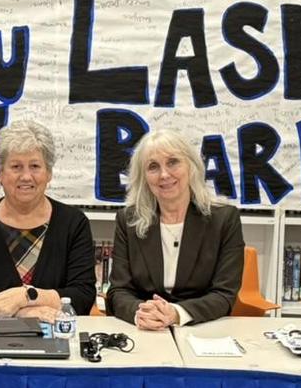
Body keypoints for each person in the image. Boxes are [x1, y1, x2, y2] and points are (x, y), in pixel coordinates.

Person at [0, 119, 96, 320]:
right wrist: (23, 312)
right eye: (16, 166)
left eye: (35, 166)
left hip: (55, 339)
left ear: (48, 173)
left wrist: (26, 297)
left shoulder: (74, 223)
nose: (26, 176)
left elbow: (83, 296)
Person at [105, 129, 245, 330]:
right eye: (153, 167)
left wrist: (176, 314)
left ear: (191, 166)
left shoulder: (224, 219)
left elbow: (224, 294)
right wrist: (141, 313)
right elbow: (118, 291)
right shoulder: (128, 220)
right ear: (143, 177)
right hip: (146, 329)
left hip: (200, 327)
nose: (164, 174)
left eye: (173, 162)